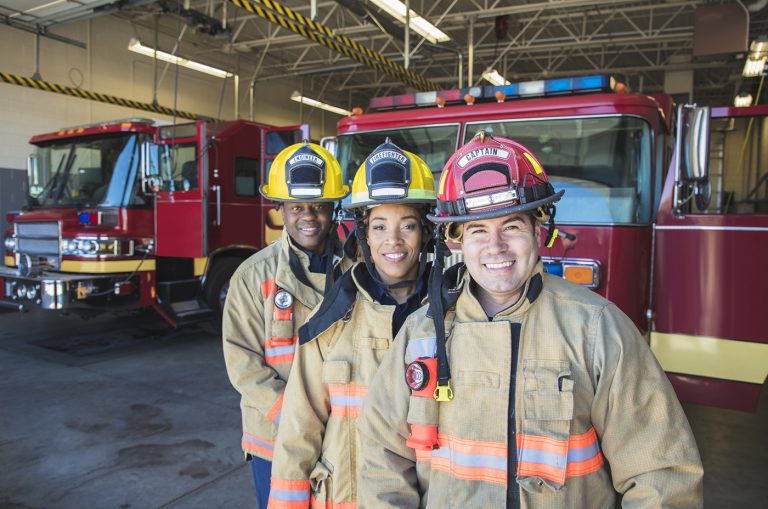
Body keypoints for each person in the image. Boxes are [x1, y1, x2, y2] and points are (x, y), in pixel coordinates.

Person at [357, 132, 704, 508]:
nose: (496, 247)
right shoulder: (421, 333)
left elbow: (662, 476)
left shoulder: (597, 329)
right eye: (477, 230)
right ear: (456, 241)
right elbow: (382, 463)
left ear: (540, 230)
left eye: (511, 226)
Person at [267, 140, 437, 509]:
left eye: (407, 225)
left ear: (426, 232)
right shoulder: (330, 320)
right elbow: (298, 431)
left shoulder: (454, 316)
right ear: (364, 236)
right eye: (379, 226)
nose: (392, 240)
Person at [223, 141, 351, 509]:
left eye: (318, 207)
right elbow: (243, 364)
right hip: (274, 436)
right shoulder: (252, 276)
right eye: (296, 208)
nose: (307, 217)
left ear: (332, 209)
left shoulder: (356, 269)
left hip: (340, 433)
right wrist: (296, 416)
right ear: (280, 209)